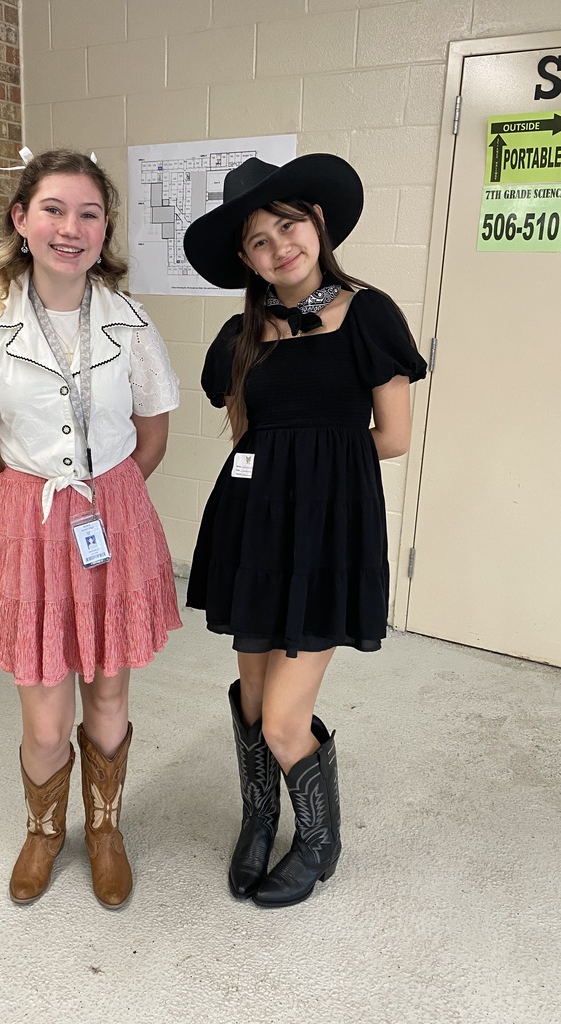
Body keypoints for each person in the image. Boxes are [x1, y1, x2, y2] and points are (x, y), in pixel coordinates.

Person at [0, 148, 182, 909]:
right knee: (45, 713)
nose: (70, 228)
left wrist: (106, 501)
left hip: (113, 513)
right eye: (53, 210)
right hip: (29, 519)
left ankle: (104, 828)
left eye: (89, 213)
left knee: (108, 696)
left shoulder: (130, 322)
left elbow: (153, 436)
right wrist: (27, 511)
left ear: (104, 231)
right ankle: (44, 832)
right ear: (21, 219)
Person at [182, 154, 427, 909]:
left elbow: (392, 437)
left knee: (286, 720)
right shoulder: (241, 333)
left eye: (288, 225)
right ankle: (260, 820)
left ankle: (319, 839)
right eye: (258, 240)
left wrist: (314, 478)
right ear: (246, 260)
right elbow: (246, 433)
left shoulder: (369, 313)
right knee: (253, 700)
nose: (279, 246)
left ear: (317, 224)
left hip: (326, 535)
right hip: (253, 530)